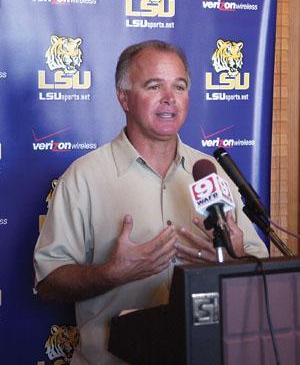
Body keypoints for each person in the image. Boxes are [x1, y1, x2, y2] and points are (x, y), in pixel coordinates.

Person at [34, 39, 268, 365]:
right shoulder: (83, 177)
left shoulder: (211, 174)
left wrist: (235, 259)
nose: (170, 99)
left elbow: (260, 269)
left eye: (180, 86)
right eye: (154, 86)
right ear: (124, 98)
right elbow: (48, 283)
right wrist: (111, 274)